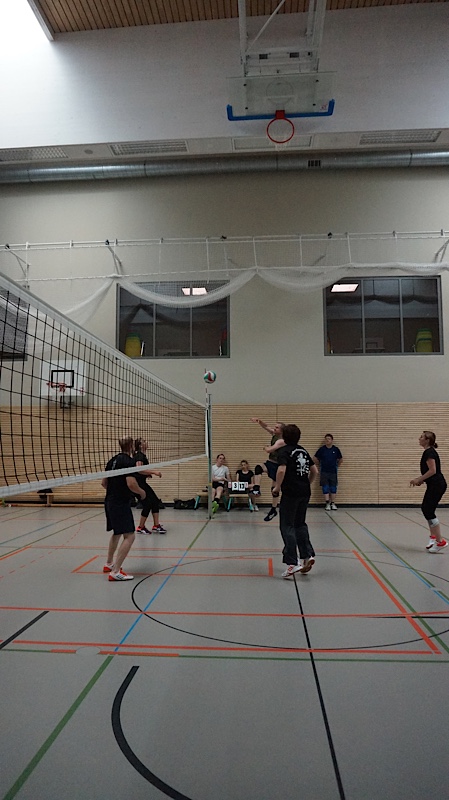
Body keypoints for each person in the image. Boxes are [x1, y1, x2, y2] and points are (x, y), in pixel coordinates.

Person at [271, 424, 318, 578]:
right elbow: (314, 471)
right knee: (300, 524)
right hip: (304, 492)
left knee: (287, 526)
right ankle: (307, 555)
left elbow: (281, 470)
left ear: (284, 437)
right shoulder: (303, 450)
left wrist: (277, 487)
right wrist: (307, 483)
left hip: (291, 493)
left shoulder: (284, 451)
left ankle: (292, 562)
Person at [101, 436, 146, 581]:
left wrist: (115, 489)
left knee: (117, 532)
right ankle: (115, 572)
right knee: (130, 535)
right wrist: (142, 493)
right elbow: (131, 484)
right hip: (120, 503)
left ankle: (109, 564)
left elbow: (104, 483)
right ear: (131, 446)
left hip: (109, 501)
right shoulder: (129, 461)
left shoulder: (112, 461)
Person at [410, 430, 447, 552]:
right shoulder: (428, 452)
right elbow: (429, 472)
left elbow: (433, 470)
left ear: (427, 440)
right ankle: (433, 538)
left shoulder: (430, 452)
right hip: (434, 485)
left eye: (421, 437)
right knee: (426, 509)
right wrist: (422, 480)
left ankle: (440, 541)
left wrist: (419, 479)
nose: (419, 439)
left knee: (428, 510)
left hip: (437, 485)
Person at [250, 417, 285, 522]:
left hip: (279, 466)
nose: (274, 428)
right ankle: (256, 488)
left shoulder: (282, 440)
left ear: (282, 430)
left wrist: (265, 447)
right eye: (275, 427)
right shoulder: (274, 434)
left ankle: (273, 509)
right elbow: (266, 427)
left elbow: (269, 450)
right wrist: (259, 421)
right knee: (258, 468)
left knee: (274, 489)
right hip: (270, 463)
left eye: (277, 427)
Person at [133, 437, 166, 534]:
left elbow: (140, 471)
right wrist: (154, 472)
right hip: (138, 485)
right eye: (144, 441)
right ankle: (140, 527)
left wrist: (147, 474)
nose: (146, 442)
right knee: (147, 504)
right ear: (140, 445)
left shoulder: (142, 455)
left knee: (155, 501)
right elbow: (139, 469)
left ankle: (156, 525)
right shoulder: (139, 456)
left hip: (142, 483)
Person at [313, 433, 343, 510]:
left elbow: (340, 459)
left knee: (333, 488)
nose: (327, 440)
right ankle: (327, 503)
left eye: (329, 439)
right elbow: (315, 458)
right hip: (324, 471)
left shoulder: (335, 449)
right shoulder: (322, 449)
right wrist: (319, 464)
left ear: (332, 440)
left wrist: (337, 466)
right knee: (325, 487)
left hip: (333, 472)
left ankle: (333, 503)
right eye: (326, 439)